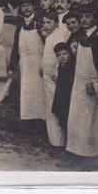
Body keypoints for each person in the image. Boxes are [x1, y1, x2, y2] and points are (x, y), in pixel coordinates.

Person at [65, 4, 98, 160]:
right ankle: (75, 154)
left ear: (95, 18)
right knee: (75, 120)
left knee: (91, 122)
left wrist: (96, 84)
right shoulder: (81, 36)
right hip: (78, 82)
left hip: (91, 84)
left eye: (88, 16)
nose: (84, 20)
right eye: (82, 17)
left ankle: (91, 157)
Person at [8, 0, 46, 123]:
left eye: (28, 5)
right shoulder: (20, 26)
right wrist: (12, 67)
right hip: (25, 65)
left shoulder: (40, 23)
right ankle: (28, 122)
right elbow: (15, 47)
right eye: (23, 6)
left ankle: (41, 122)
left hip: (38, 64)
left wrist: (45, 65)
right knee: (26, 93)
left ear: (34, 7)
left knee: (39, 94)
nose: (26, 9)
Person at [40, 11, 68, 148]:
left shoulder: (59, 36)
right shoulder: (50, 36)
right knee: (49, 108)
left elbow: (61, 57)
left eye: (48, 22)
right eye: (44, 22)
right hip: (47, 77)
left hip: (54, 77)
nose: (45, 25)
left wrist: (58, 74)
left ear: (56, 23)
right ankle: (54, 140)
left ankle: (58, 142)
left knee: (54, 109)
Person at [51, 42, 76, 136]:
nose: (62, 57)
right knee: (62, 119)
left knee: (69, 120)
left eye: (65, 54)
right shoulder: (61, 67)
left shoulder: (72, 67)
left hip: (68, 97)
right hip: (61, 96)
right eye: (59, 55)